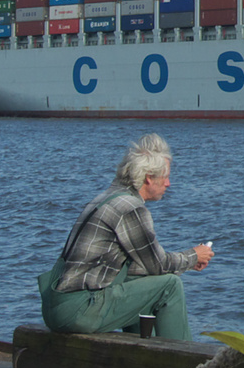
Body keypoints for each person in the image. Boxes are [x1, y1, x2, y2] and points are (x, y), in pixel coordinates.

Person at [39, 133, 214, 340]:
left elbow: (143, 268)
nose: (168, 184)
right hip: (78, 310)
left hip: (55, 307)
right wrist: (194, 255)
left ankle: (144, 356)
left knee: (147, 280)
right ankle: (184, 363)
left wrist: (186, 263)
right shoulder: (130, 208)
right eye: (165, 176)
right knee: (169, 286)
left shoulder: (105, 198)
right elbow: (158, 264)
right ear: (149, 177)